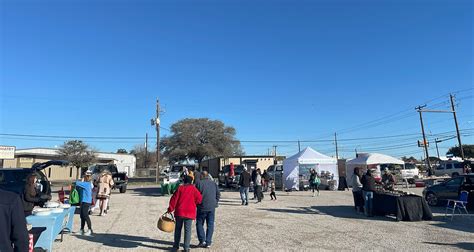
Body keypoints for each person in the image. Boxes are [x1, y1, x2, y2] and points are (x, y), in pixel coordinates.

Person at [168, 176, 202, 252]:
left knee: (178, 229)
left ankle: (176, 246)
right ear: (191, 182)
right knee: (187, 231)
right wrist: (194, 203)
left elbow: (174, 199)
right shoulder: (193, 189)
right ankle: (186, 248)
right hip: (190, 213)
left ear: (184, 181)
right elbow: (199, 199)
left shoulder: (180, 188)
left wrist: (170, 209)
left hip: (179, 212)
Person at [195, 171, 220, 248]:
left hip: (201, 206)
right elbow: (218, 194)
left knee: (199, 223)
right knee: (210, 224)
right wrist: (215, 201)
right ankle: (208, 242)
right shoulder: (213, 183)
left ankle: (202, 240)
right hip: (212, 207)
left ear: (202, 176)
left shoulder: (198, 183)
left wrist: (196, 203)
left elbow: (195, 195)